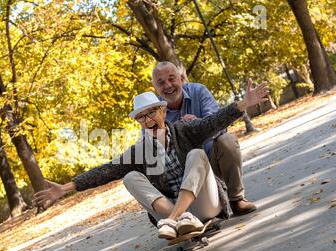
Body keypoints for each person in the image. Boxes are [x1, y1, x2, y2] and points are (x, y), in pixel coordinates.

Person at [34, 81, 268, 240]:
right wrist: (64, 189)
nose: (147, 119)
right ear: (139, 122)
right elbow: (106, 170)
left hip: (205, 203)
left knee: (196, 154)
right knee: (129, 177)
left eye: (151, 112)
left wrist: (244, 104)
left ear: (163, 112)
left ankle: (178, 219)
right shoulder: (141, 150)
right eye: (142, 117)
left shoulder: (185, 130)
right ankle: (180, 218)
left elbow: (214, 121)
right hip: (166, 211)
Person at [152, 61, 256, 215]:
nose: (167, 85)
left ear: (181, 78)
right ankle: (190, 211)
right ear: (155, 88)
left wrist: (198, 125)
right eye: (161, 82)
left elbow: (219, 124)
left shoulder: (198, 91)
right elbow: (154, 153)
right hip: (185, 175)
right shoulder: (152, 112)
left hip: (212, 160)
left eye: (171, 79)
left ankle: (236, 199)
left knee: (227, 140)